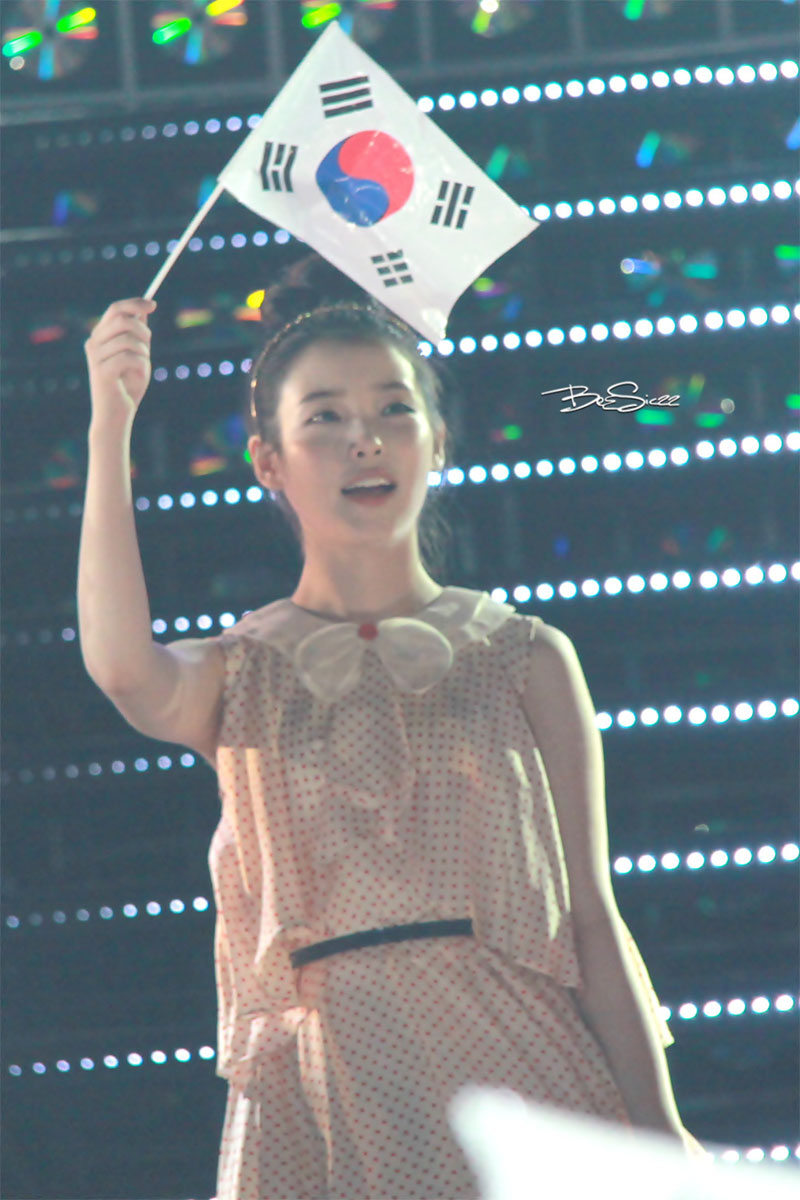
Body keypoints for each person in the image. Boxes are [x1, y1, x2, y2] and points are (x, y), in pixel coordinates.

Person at [78, 254, 706, 1200]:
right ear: (269, 461)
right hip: (322, 1095)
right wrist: (111, 419)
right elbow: (125, 669)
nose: (363, 439)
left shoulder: (526, 655)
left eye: (392, 410)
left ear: (437, 442)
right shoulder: (242, 672)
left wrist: (659, 1132)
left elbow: (590, 916)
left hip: (521, 1073)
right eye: (324, 417)